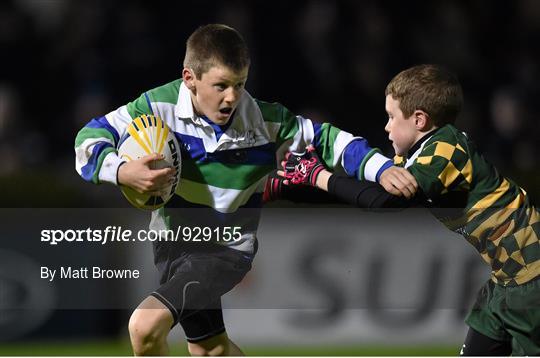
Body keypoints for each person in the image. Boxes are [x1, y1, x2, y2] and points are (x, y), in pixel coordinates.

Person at [74, 24, 415, 356]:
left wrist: (381, 168)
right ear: (189, 79)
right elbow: (89, 138)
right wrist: (121, 171)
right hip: (172, 243)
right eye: (221, 85)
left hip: (223, 251)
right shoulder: (156, 107)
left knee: (143, 327)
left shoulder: (263, 121)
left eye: (240, 84)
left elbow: (329, 141)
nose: (232, 97)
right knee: (210, 349)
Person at [276, 64, 540, 356]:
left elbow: (386, 202)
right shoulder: (419, 156)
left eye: (391, 116)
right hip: (507, 282)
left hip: (532, 280)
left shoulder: (446, 151)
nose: (387, 126)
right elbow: (363, 197)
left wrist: (318, 177)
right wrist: (292, 185)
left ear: (419, 119)